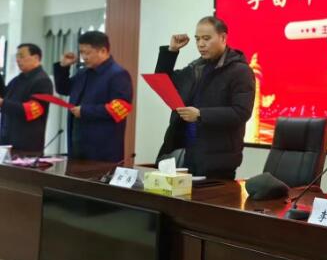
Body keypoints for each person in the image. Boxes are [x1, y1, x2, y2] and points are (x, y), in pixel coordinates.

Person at [155, 16, 254, 180]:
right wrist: (171, 51)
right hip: (185, 153)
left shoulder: (240, 71)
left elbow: (241, 112)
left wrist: (201, 114)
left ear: (223, 38)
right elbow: (162, 82)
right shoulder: (197, 67)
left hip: (218, 160)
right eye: (197, 39)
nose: (201, 44)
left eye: (206, 38)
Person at [54, 31, 133, 162]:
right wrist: (63, 67)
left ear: (103, 51)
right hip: (77, 144)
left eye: (87, 53)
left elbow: (120, 109)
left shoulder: (118, 74)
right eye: (81, 52)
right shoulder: (83, 73)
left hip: (103, 149)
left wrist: (85, 111)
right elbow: (64, 89)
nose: (84, 57)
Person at [0, 44, 53, 153]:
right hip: (8, 140)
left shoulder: (42, 81)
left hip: (27, 145)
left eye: (22, 56)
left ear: (36, 58)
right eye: (17, 56)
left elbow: (32, 110)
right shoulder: (18, 79)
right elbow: (5, 97)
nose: (18, 60)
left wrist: (2, 103)